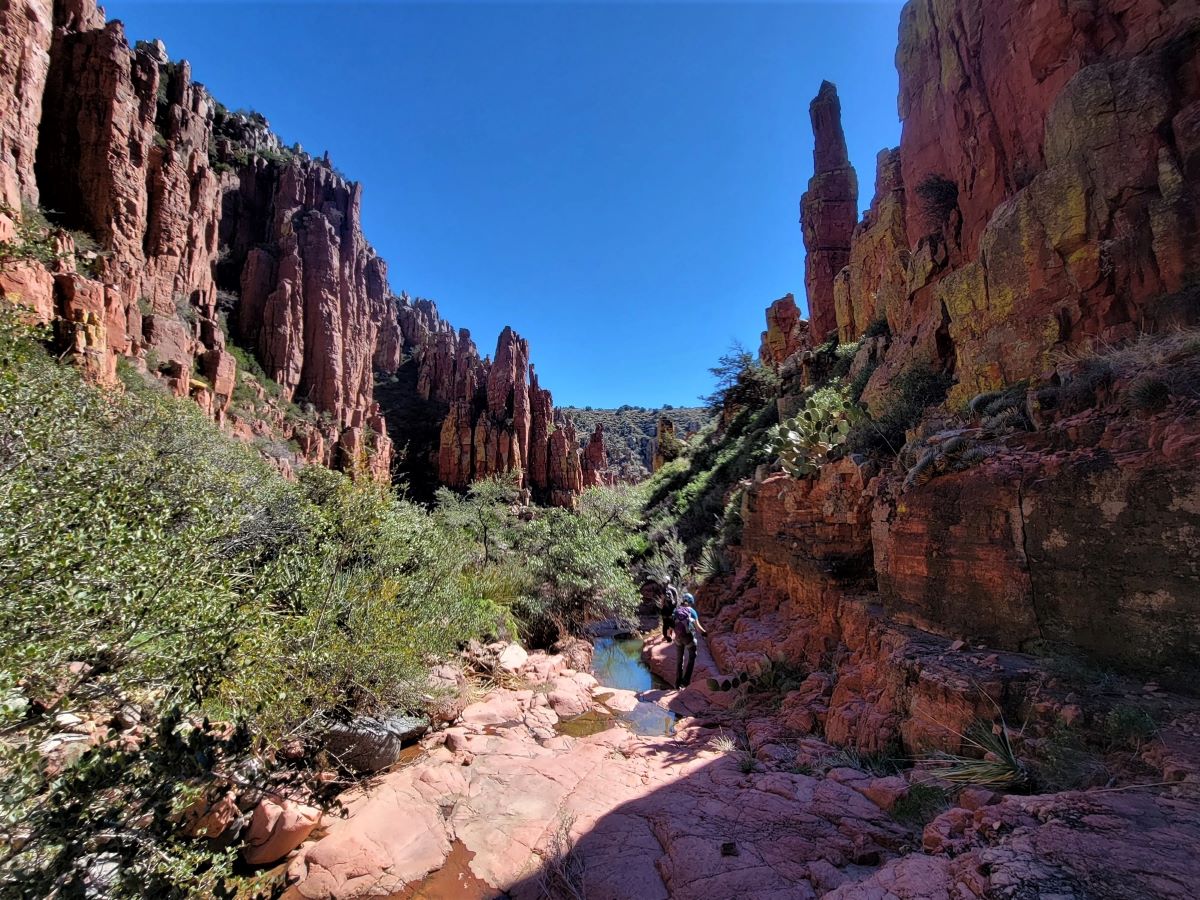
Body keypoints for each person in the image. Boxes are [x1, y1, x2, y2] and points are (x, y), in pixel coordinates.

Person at [672, 593, 706, 688]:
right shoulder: (692, 611)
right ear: (691, 602)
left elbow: (671, 624)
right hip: (688, 638)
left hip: (678, 638)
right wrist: (705, 634)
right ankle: (685, 682)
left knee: (679, 660)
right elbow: (698, 628)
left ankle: (677, 684)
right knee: (692, 657)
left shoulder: (676, 610)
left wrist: (670, 635)